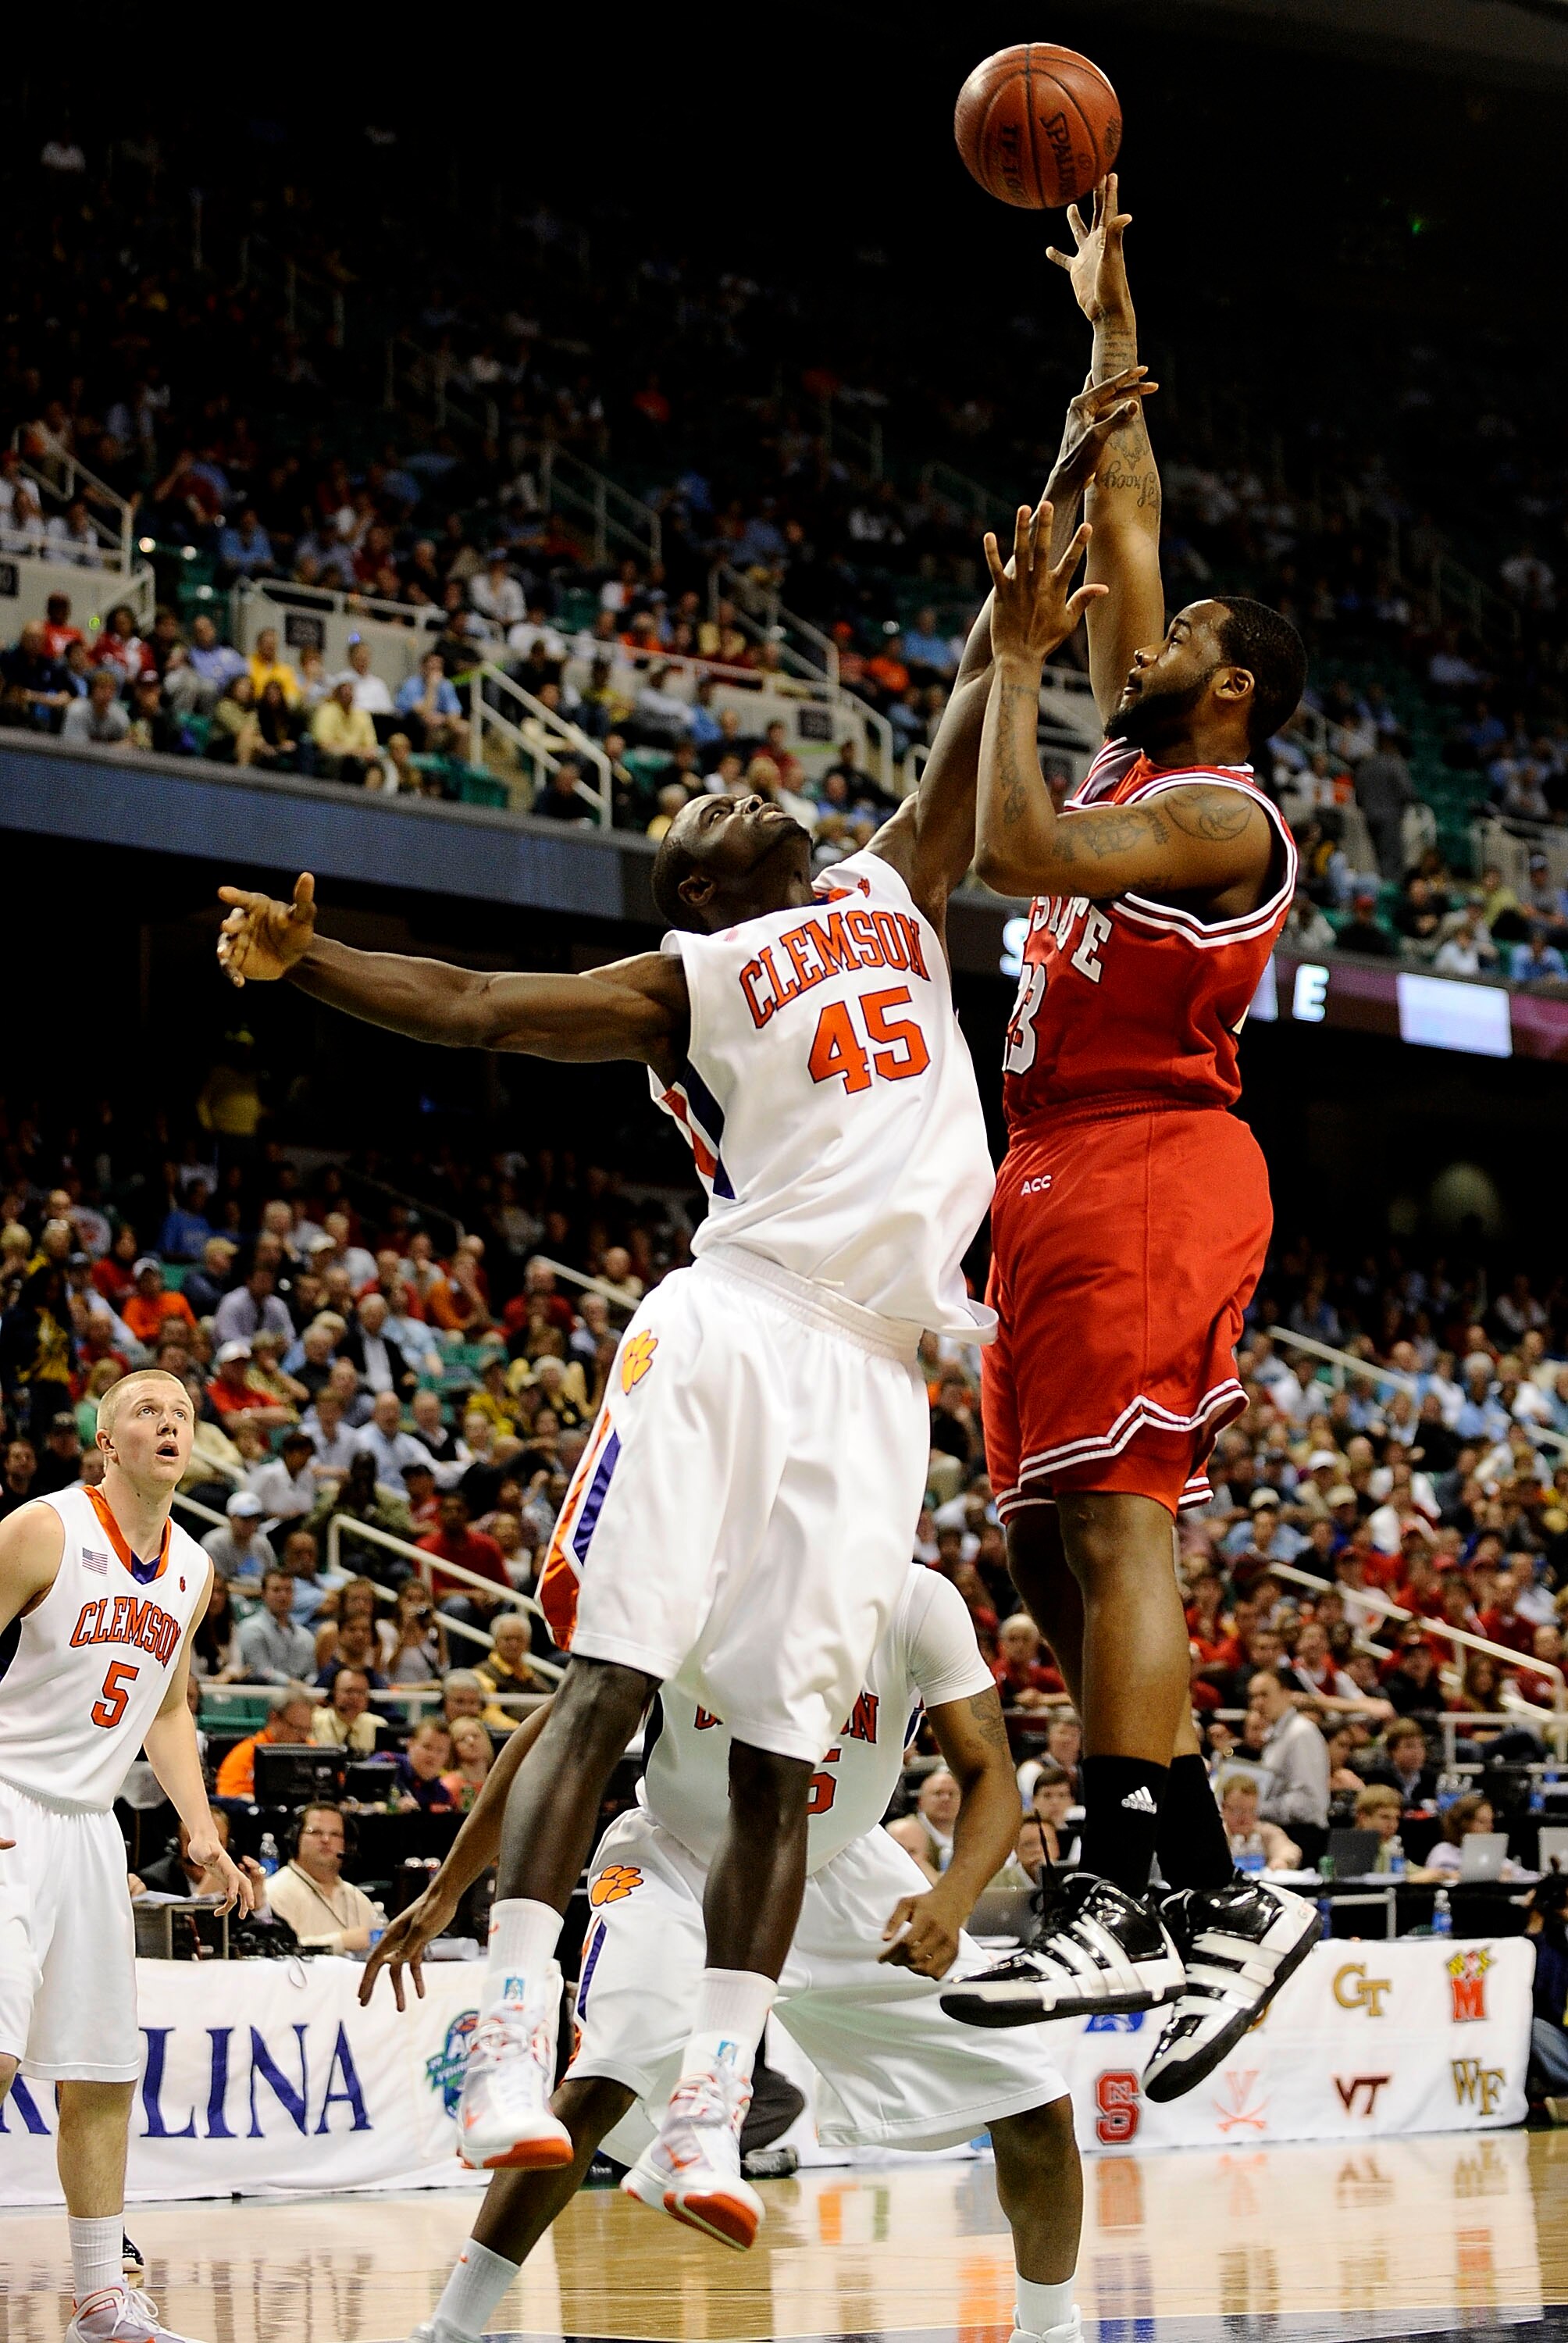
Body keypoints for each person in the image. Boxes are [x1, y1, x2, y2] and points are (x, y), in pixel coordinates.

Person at [212, 519, 1017, 2214]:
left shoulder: (878, 888)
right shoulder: (699, 975)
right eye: (698, 820)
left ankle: (715, 2104)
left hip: (878, 1374)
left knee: (782, 1754)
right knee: (612, 1671)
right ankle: (514, 2035)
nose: (728, 792)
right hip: (739, 1319)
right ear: (705, 893)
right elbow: (479, 1005)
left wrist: (1018, 613)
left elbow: (958, 737)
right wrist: (316, 965)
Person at [944, 180, 1317, 2093]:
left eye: (1175, 639)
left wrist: (1006, 659)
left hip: (1151, 1154)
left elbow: (1007, 852)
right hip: (1044, 1172)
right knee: (1036, 1549)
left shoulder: (1214, 813)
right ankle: (1211, 1890)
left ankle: (1107, 1880)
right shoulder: (1138, 745)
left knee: (1115, 1517)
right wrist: (1105, 327)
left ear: (1226, 684)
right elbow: (1125, 512)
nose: (1135, 625)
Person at [365, 1565, 1083, 2343]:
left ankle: (1050, 2333)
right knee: (604, 2078)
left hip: (841, 1867)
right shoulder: (700, 1583)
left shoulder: (917, 1601)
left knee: (1035, 2105)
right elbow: (557, 1731)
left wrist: (951, 1896)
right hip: (675, 1858)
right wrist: (446, 1889)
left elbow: (989, 1775)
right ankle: (451, 2329)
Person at [0, 1366, 250, 2341]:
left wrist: (199, 1826)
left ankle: (102, 2296)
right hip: (9, 1802)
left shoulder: (192, 1570)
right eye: (147, 1409)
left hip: (92, 1828)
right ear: (106, 1442)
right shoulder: (43, 1529)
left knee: (102, 2071)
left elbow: (172, 1706)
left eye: (183, 1412)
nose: (170, 1422)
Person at [262, 1801, 385, 1952]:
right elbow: (280, 1950)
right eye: (315, 1832)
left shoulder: (357, 1898)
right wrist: (341, 1942)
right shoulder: (274, 1891)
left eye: (335, 1834)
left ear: (347, 1845)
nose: (326, 1840)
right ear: (295, 1838)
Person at [213, 1681, 315, 1799]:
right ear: (274, 1718)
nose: (303, 1737)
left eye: (307, 1730)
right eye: (297, 1729)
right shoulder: (247, 1754)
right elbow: (227, 1796)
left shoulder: (313, 1751)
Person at [236, 1564, 318, 1684]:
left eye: (288, 1590)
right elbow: (260, 1670)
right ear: (263, 1594)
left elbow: (312, 1673)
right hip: (263, 1697)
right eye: (276, 1590)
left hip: (302, 1697)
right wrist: (292, 1684)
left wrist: (308, 1686)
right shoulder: (251, 1628)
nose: (283, 1596)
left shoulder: (306, 1636)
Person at [887, 1767, 961, 1883]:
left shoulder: (972, 1833)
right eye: (938, 1793)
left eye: (951, 1794)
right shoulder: (906, 1830)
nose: (946, 1799)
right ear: (920, 1801)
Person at [1218, 1773, 1301, 1871]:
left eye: (1251, 1811)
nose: (1245, 1818)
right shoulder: (1216, 1836)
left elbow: (1289, 1849)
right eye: (1238, 1811)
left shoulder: (1264, 1832)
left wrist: (1281, 1861)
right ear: (1224, 1808)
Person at [308, 1664, 382, 1755]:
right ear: (333, 1693)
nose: (355, 1698)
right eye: (349, 1691)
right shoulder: (313, 1723)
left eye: (361, 1693)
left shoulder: (378, 1725)